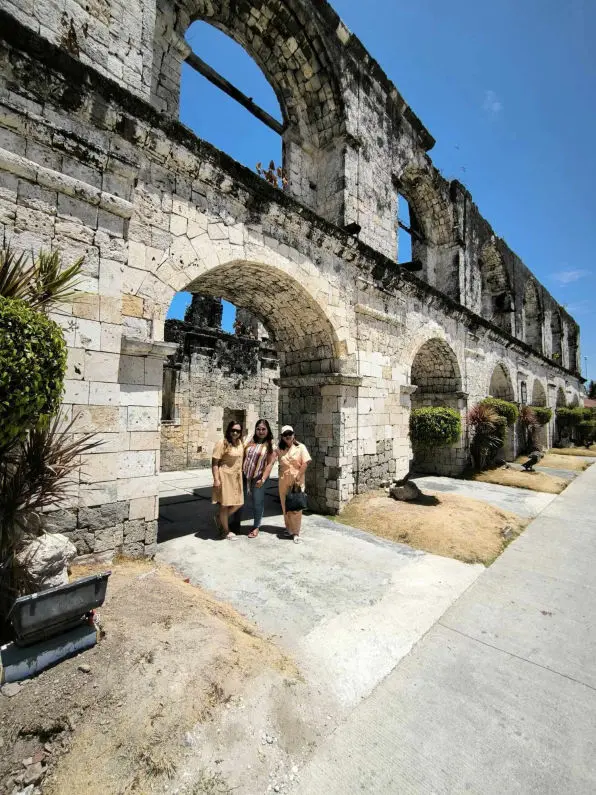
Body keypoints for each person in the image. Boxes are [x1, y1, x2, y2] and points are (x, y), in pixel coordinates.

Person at [232, 419, 277, 538]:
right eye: (258, 429)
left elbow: (269, 464)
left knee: (258, 503)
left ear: (267, 430)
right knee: (239, 501)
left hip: (258, 477)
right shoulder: (249, 440)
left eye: (263, 429)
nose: (261, 431)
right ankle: (235, 525)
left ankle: (256, 526)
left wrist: (263, 479)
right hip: (244, 476)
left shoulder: (270, 445)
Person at [277, 425, 311, 543]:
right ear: (282, 437)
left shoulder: (300, 447)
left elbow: (306, 462)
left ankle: (296, 532)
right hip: (283, 480)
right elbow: (270, 458)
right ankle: (289, 528)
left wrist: (298, 476)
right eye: (285, 435)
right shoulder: (279, 449)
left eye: (289, 434)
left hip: (297, 480)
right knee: (285, 506)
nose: (288, 436)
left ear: (293, 434)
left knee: (296, 507)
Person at [211, 420, 244, 539]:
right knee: (224, 505)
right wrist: (216, 479)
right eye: (233, 430)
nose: (235, 432)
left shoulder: (240, 443)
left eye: (238, 431)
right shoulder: (222, 443)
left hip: (236, 478)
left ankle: (220, 518)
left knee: (239, 503)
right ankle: (226, 531)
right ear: (229, 430)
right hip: (224, 477)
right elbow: (215, 462)